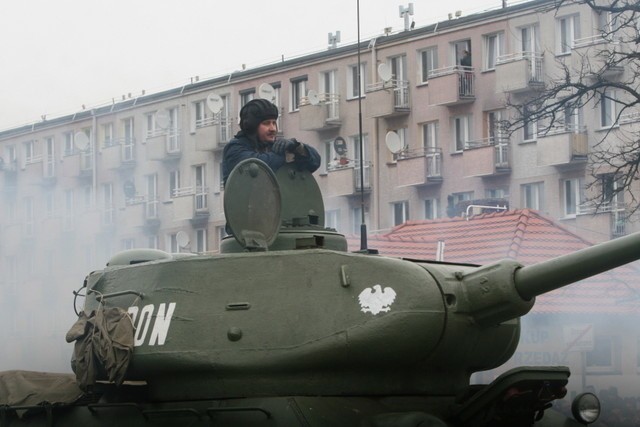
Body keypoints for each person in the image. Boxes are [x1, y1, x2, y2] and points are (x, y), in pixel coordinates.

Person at [222, 99, 321, 185]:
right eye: (266, 123)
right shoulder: (235, 148)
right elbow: (259, 166)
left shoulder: (274, 146)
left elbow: (314, 162)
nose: (273, 128)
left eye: (274, 123)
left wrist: (298, 148)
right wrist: (287, 154)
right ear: (252, 126)